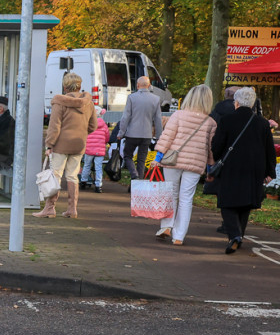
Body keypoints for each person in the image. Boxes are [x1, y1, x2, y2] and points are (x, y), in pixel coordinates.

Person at [149, 85, 217, 246]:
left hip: (173, 160)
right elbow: (210, 149)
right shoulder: (210, 122)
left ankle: (166, 226)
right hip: (195, 163)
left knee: (170, 193)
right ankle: (179, 236)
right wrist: (210, 168)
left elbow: (167, 137)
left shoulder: (178, 115)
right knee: (186, 199)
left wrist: (158, 157)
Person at [211, 87, 275, 254]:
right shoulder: (262, 123)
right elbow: (269, 149)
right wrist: (270, 172)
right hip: (255, 168)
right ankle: (239, 234)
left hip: (232, 166)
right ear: (253, 103)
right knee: (246, 202)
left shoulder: (227, 120)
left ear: (236, 102)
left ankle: (234, 235)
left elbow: (217, 146)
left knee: (226, 202)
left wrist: (217, 157)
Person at [33, 72, 96, 218]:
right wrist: (81, 132)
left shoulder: (59, 102)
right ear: (79, 85)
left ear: (65, 86)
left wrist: (49, 145)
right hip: (79, 144)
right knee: (73, 176)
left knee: (55, 175)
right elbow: (93, 125)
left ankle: (50, 208)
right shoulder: (89, 103)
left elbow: (54, 126)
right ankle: (72, 209)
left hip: (61, 144)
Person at [118, 75, 164, 184]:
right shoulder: (155, 99)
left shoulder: (131, 98)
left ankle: (134, 175)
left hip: (132, 134)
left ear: (137, 85)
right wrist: (159, 136)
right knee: (141, 160)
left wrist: (121, 132)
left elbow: (126, 117)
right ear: (149, 85)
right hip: (147, 135)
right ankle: (138, 184)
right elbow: (158, 119)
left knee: (127, 155)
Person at [79, 108, 110, 192]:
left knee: (87, 165)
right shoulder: (104, 125)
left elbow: (83, 135)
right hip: (100, 150)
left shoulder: (88, 124)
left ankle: (83, 181)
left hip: (89, 149)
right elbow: (107, 138)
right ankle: (98, 185)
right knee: (98, 167)